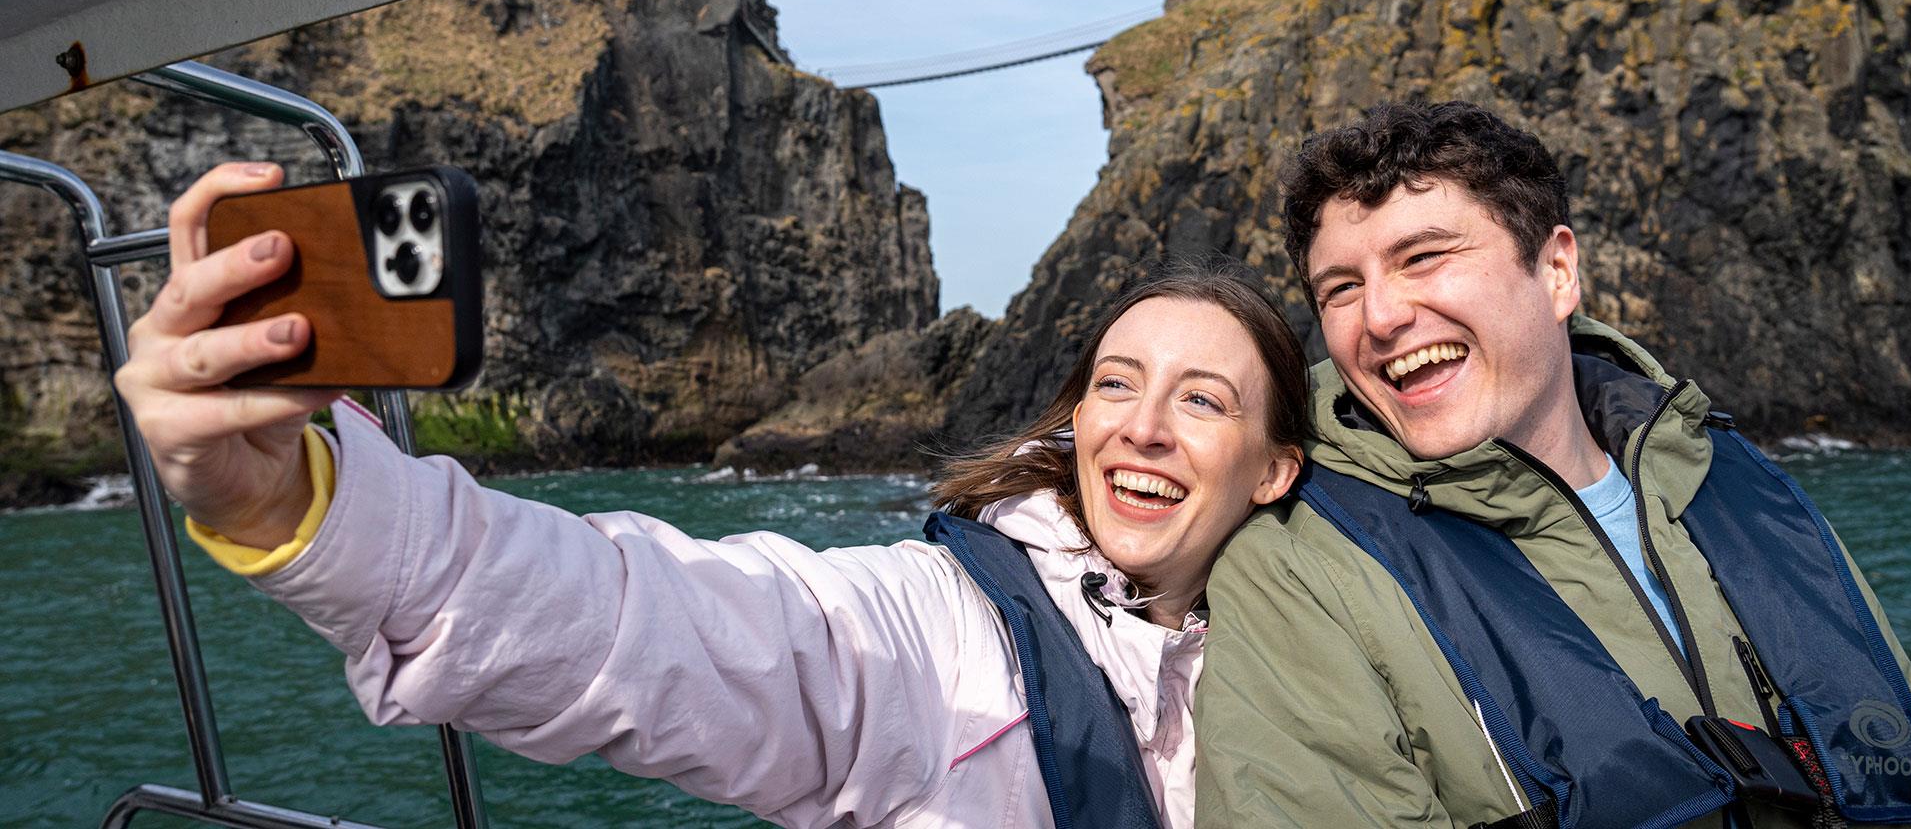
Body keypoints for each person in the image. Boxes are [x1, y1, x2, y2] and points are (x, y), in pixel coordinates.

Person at [114, 162, 1309, 829]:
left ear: (1275, 465)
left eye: (1203, 400)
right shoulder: (939, 634)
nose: (1142, 423)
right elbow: (650, 626)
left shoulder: (1339, 654)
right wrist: (310, 515)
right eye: (1114, 382)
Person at [1195, 102, 1911, 828]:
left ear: (1557, 272)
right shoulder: (1296, 568)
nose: (1380, 318)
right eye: (1341, 289)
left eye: (1423, 257)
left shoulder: (1730, 474)